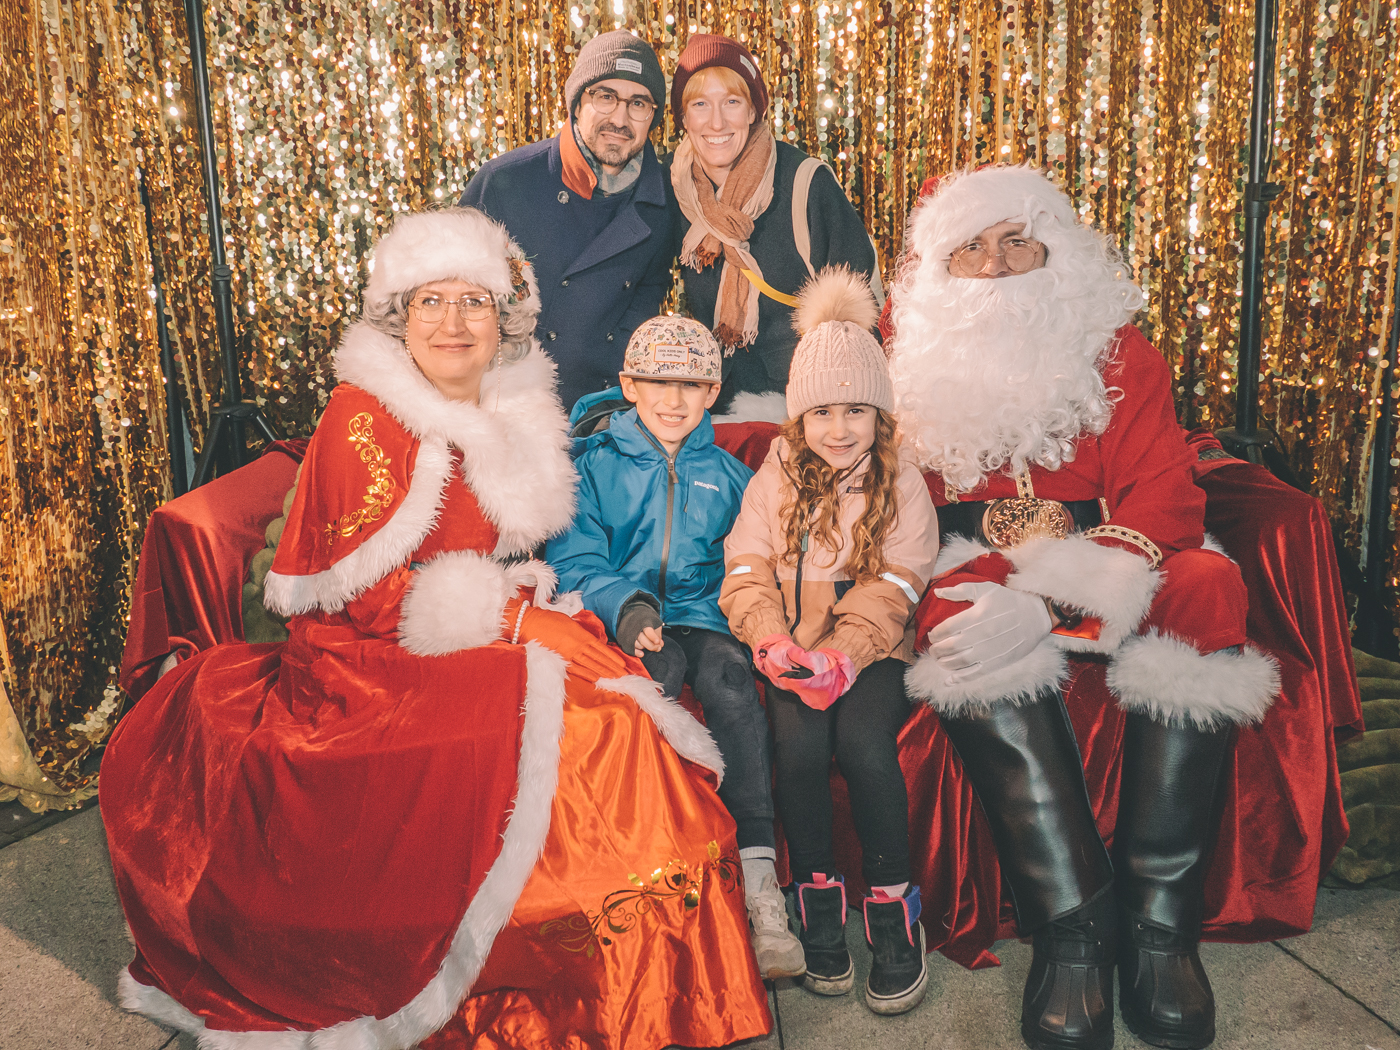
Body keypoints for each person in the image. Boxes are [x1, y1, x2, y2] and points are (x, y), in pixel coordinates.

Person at [99, 207, 771, 1050]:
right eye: (432, 301)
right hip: (364, 663)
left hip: (464, 631)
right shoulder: (365, 417)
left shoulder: (509, 407)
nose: (454, 322)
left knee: (614, 698)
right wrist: (520, 619)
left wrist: (529, 610)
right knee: (593, 724)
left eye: (474, 301)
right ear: (400, 315)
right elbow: (370, 604)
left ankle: (636, 972)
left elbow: (502, 553)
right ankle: (556, 968)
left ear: (504, 318)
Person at [886, 166, 1279, 1050]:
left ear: (1055, 252)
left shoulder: (1119, 350)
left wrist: (1057, 596)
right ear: (940, 270)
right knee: (958, 616)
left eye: (1016, 243)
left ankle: (1159, 927)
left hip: (1108, 545)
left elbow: (1165, 494)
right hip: (967, 552)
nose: (995, 267)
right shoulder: (904, 354)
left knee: (1209, 583)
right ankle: (1075, 927)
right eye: (970, 249)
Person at [545, 313, 807, 980]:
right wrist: (624, 608)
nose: (674, 400)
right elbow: (572, 559)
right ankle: (643, 874)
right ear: (629, 386)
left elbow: (753, 559)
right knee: (652, 678)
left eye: (691, 385)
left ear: (713, 391)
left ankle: (759, 880)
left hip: (707, 615)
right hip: (621, 615)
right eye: (658, 383)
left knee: (730, 684)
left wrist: (758, 619)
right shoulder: (590, 466)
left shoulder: (729, 474)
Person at [721, 268, 940, 1016]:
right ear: (798, 417)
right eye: (821, 412)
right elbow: (746, 564)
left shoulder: (901, 480)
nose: (839, 428)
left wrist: (844, 654)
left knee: (866, 746)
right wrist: (771, 641)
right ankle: (818, 900)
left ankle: (892, 910)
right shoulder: (776, 475)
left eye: (856, 410)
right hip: (795, 647)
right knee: (800, 750)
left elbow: (900, 580)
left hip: (871, 653)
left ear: (880, 415)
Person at [460, 31, 676, 411]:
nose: (620, 119)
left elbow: (646, 300)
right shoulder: (504, 182)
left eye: (638, 103)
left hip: (605, 411)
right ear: (577, 104)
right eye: (605, 96)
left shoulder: (662, 199)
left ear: (653, 116)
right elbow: (455, 300)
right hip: (509, 407)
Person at [668, 34, 878, 420]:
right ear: (683, 119)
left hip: (802, 410)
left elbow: (862, 315)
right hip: (710, 411)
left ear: (753, 110)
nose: (716, 122)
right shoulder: (675, 186)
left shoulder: (805, 182)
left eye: (732, 102)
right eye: (700, 104)